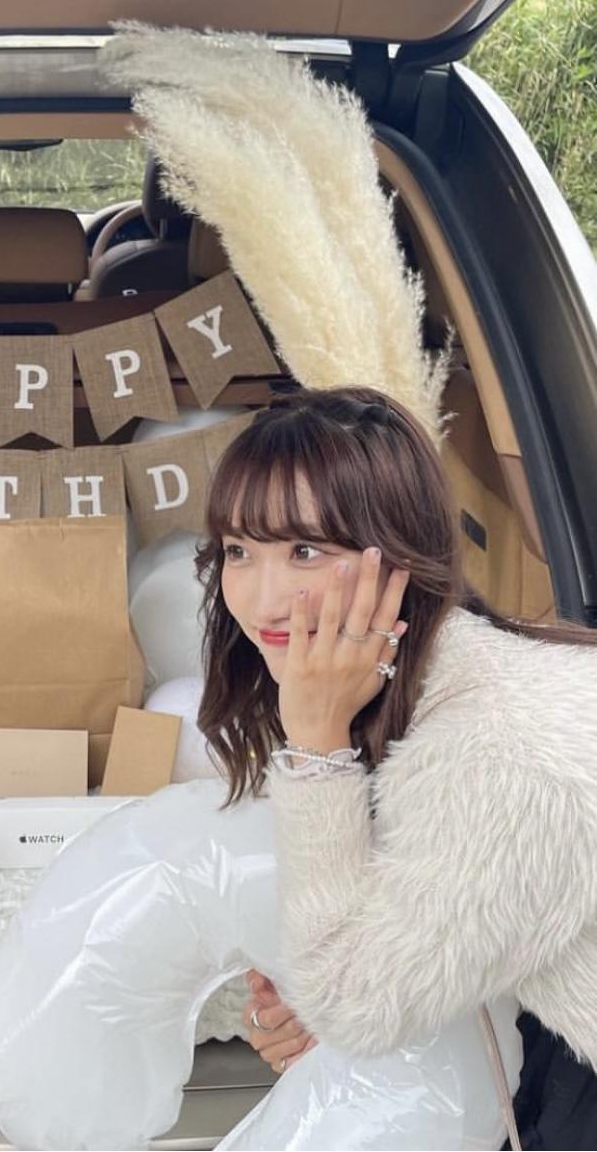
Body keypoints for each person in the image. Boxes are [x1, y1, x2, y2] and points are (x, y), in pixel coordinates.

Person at [194, 385, 597, 1148]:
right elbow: (419, 937)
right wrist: (338, 992)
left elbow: (355, 1006)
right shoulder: (438, 679)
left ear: (399, 555)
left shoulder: (496, 750)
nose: (262, 600)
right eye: (238, 551)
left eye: (306, 551)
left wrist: (316, 744)